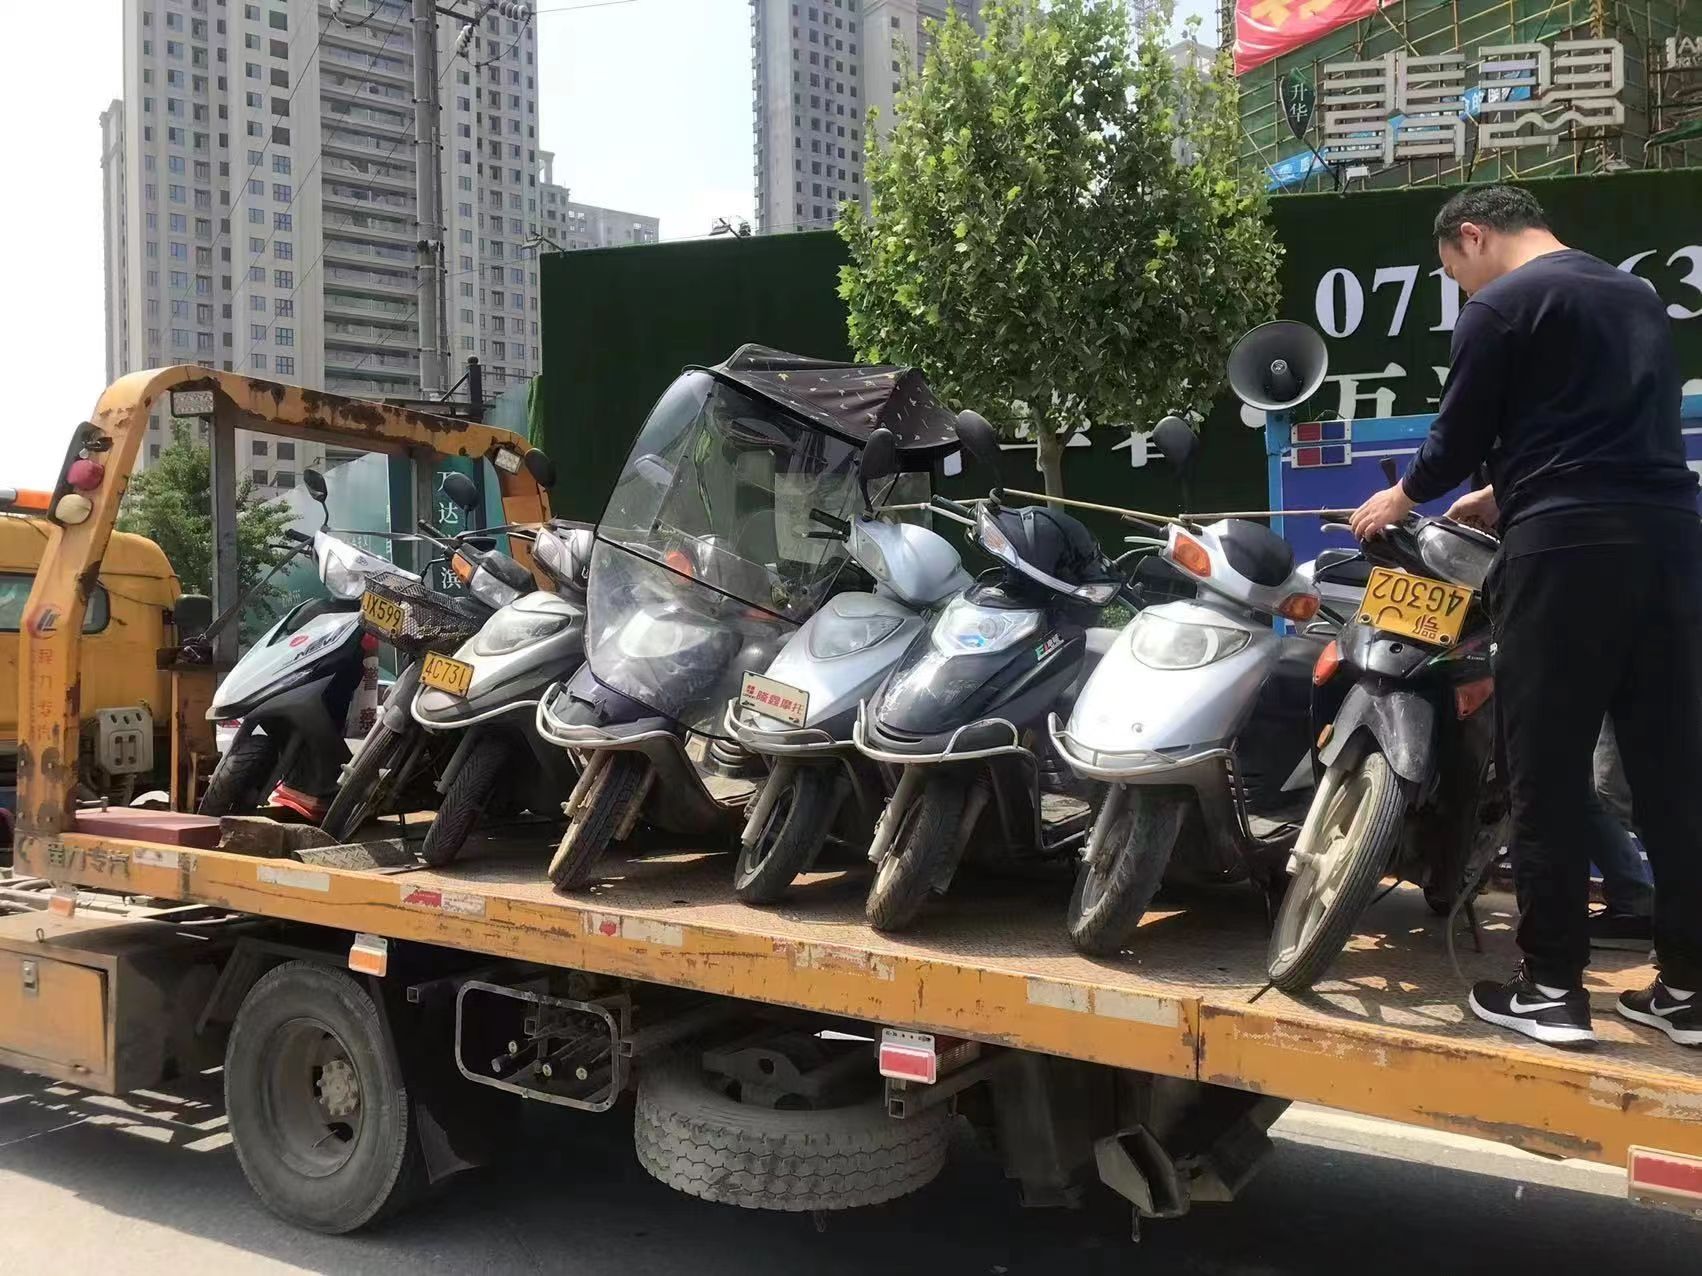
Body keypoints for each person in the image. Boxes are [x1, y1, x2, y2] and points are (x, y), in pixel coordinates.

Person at [1349, 184, 1702, 1049]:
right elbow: (1607, 436)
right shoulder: (1634, 296)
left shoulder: (1502, 306)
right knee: (1672, 777)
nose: (1462, 290)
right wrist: (1504, 493)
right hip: (1670, 544)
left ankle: (1550, 989)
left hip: (1565, 556)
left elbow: (1457, 435)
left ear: (1473, 236)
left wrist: (1401, 497)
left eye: (1454, 273)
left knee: (1544, 767)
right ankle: (1688, 991)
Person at [1448, 486, 1656, 952]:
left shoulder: (1558, 513)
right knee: (1588, 789)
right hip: (1599, 636)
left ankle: (1632, 909)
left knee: (1597, 789)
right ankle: (1632, 905)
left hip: (1612, 641)